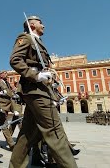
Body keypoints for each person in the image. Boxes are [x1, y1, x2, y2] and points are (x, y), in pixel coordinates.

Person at [9, 15, 77, 168]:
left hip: (41, 89)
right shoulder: (25, 38)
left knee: (27, 134)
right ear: (32, 25)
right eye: (41, 22)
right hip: (34, 89)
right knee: (54, 129)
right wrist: (36, 75)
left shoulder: (38, 42)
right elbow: (15, 59)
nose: (44, 25)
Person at [0, 70, 16, 150]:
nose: (6, 74)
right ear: (1, 75)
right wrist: (2, 92)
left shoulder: (6, 83)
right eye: (5, 73)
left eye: (6, 73)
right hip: (1, 105)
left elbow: (9, 94)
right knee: (4, 124)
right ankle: (11, 144)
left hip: (7, 105)